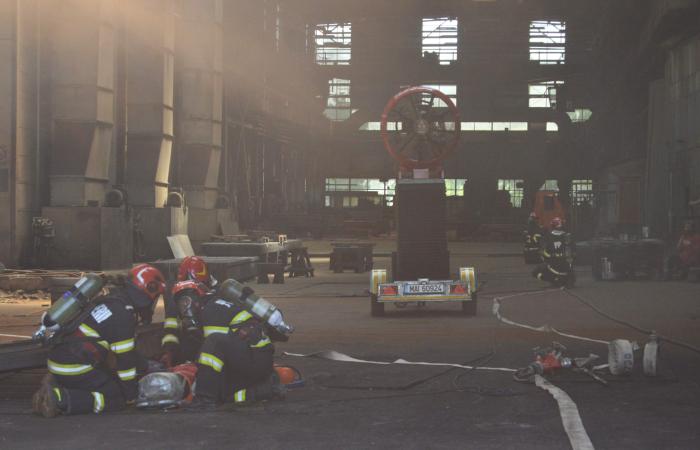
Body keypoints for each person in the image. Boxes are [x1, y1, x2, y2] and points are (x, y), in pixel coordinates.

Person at [32, 264, 166, 418]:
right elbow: (125, 362)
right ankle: (58, 399)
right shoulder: (123, 315)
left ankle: (57, 383)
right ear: (147, 291)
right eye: (155, 297)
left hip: (61, 358)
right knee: (116, 399)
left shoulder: (112, 300)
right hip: (74, 366)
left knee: (111, 381)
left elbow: (128, 353)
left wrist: (145, 365)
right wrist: (131, 395)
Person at [190, 290, 283, 409]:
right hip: (260, 359)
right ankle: (263, 388)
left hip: (254, 359)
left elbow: (211, 348)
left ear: (196, 303)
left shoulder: (211, 310)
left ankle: (205, 399)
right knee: (224, 393)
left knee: (213, 343)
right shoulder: (223, 304)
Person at [161, 256, 217, 366]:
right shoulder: (176, 297)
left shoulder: (215, 293)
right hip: (190, 340)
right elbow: (170, 327)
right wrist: (170, 351)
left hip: (211, 343)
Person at [533, 217, 573, 285]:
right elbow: (571, 250)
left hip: (552, 262)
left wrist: (549, 256)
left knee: (535, 272)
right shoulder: (566, 235)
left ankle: (552, 279)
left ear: (552, 226)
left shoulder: (548, 236)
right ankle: (559, 279)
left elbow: (543, 251)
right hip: (565, 265)